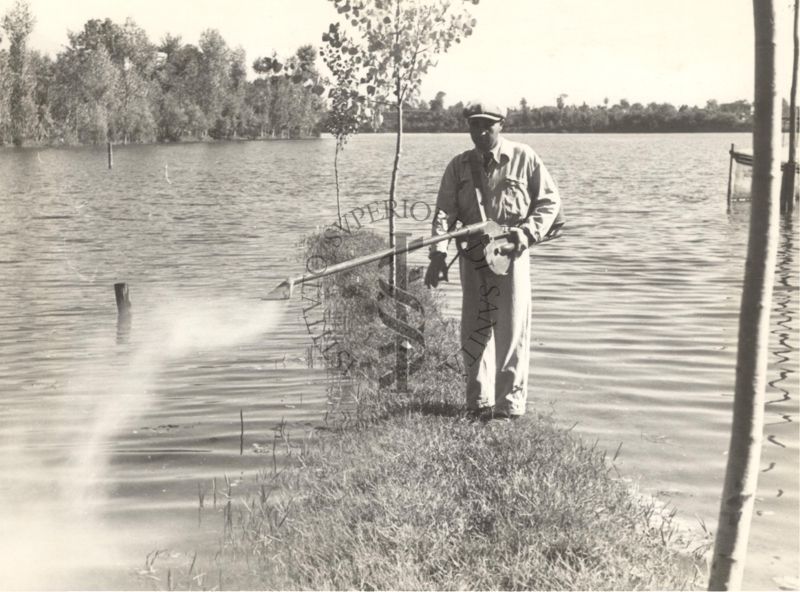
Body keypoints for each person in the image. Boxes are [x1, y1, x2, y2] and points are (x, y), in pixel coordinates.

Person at [425, 100, 562, 420]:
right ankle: (478, 403)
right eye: (475, 125)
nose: (481, 131)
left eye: (488, 125)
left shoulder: (524, 157)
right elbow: (444, 214)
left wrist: (526, 233)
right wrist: (438, 255)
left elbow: (549, 201)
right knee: (474, 329)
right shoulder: (458, 166)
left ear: (502, 125)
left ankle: (509, 408)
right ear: (468, 127)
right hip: (473, 256)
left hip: (511, 255)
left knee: (512, 329)